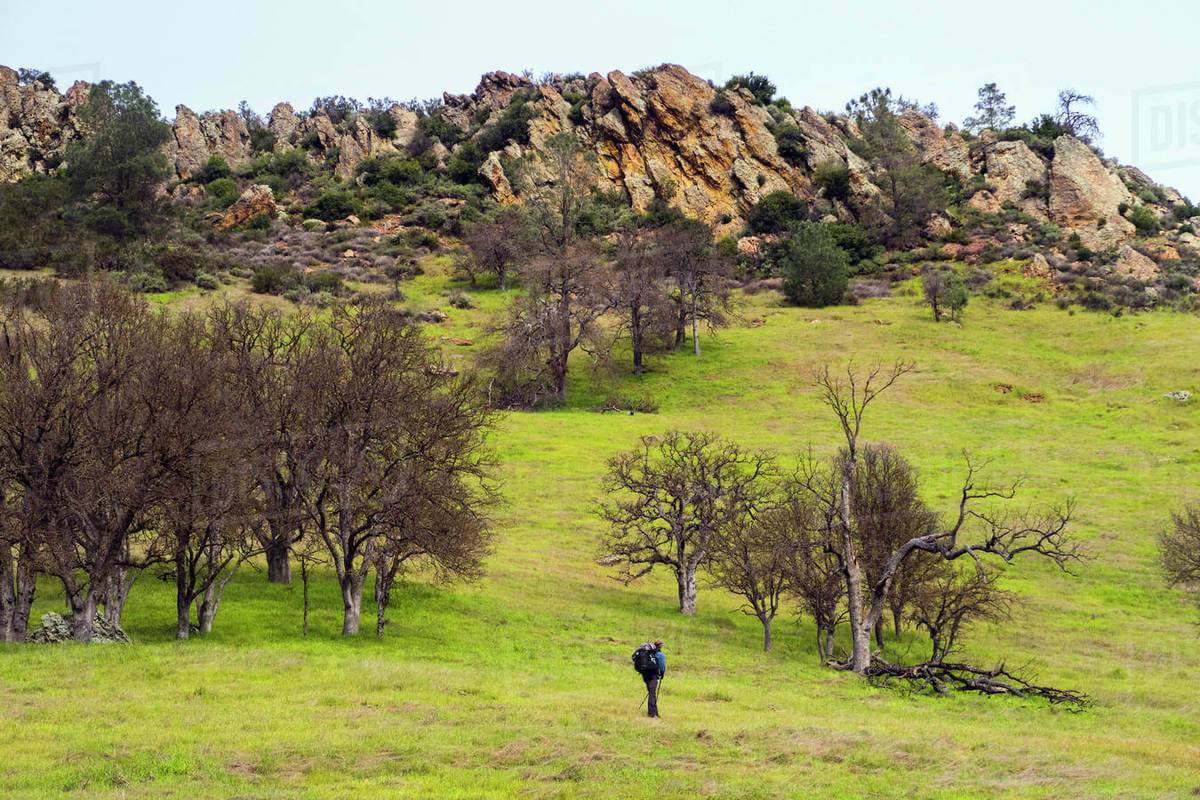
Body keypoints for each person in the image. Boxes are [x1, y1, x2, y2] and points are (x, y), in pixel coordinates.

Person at [644, 640, 665, 718]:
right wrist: (662, 674)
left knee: (651, 693)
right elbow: (662, 666)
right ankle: (651, 713)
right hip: (653, 676)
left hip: (646, 675)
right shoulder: (659, 654)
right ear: (659, 646)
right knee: (652, 694)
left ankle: (654, 712)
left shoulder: (649, 653)